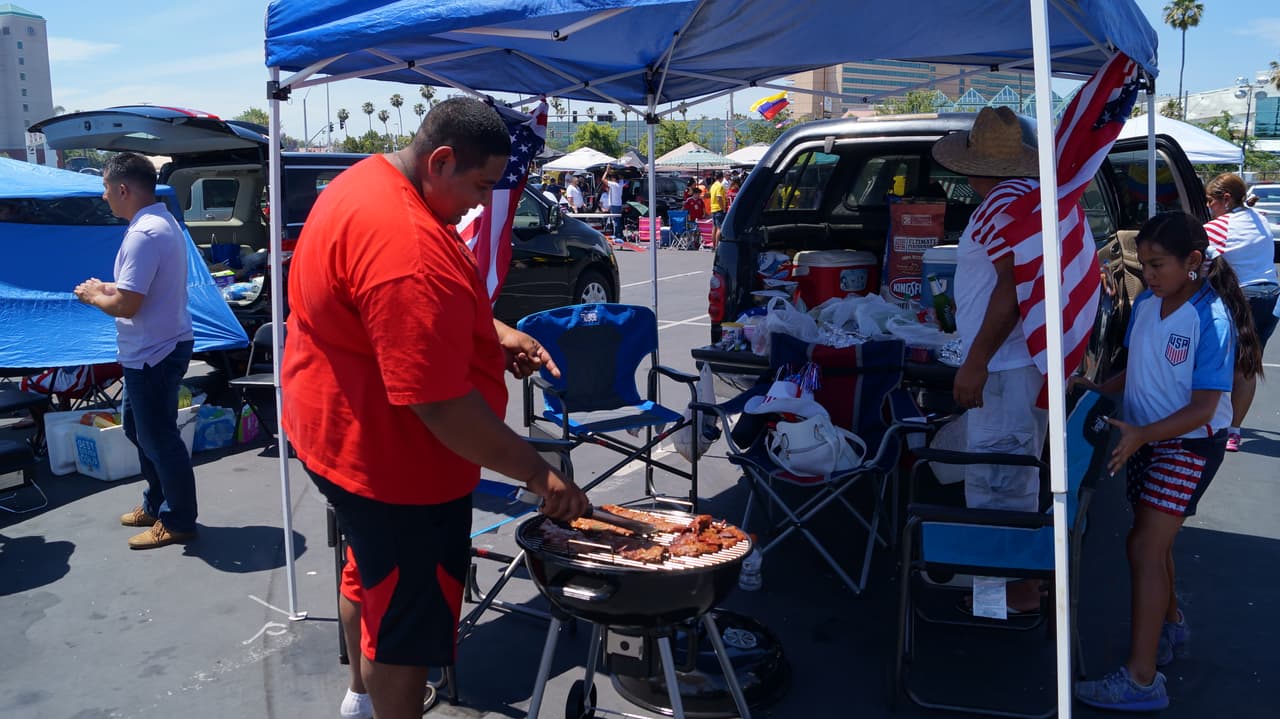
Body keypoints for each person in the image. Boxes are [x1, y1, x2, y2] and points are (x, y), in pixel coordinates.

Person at [280, 97, 590, 719]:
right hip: (396, 468)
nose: (479, 203)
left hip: (335, 435)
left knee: (367, 576)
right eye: (477, 186)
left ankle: (359, 702)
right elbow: (442, 406)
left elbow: (384, 315)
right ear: (440, 159)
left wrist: (492, 333)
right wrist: (538, 471)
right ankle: (384, 701)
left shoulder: (364, 181)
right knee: (407, 624)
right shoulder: (406, 245)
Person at [1073, 212, 1261, 711]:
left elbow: (1204, 407)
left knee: (1143, 547)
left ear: (1193, 262)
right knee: (1152, 545)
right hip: (1148, 440)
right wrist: (1093, 390)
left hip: (1189, 444)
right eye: (1145, 266)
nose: (1149, 275)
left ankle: (1141, 681)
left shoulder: (1210, 317)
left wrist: (1141, 434)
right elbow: (1134, 371)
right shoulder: (1146, 306)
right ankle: (1170, 626)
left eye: (1157, 265)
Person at [930, 106, 1046, 614]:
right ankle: (1007, 591)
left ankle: (1004, 599)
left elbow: (1011, 287)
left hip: (1003, 371)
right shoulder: (1022, 199)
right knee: (1009, 478)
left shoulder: (1002, 205)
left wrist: (975, 360)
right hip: (1016, 367)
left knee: (998, 482)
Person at [73, 152, 197, 550]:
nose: (106, 197)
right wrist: (108, 288)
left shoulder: (144, 234)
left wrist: (95, 296)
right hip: (157, 347)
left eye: (107, 189)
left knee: (158, 438)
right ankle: (157, 503)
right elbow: (136, 289)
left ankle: (177, 519)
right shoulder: (162, 224)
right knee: (137, 430)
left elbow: (128, 305)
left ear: (123, 189)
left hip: (154, 352)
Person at [1202, 173, 1277, 452]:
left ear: (1225, 199)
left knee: (1218, 362)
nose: (1208, 206)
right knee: (1247, 367)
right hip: (1270, 297)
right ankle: (1234, 431)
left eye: (1210, 201)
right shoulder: (1259, 218)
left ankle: (1213, 423)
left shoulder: (1218, 227)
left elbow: (1200, 262)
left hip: (1241, 298)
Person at [707, 170, 727, 247]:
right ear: (722, 177)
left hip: (713, 208)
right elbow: (719, 198)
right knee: (719, 228)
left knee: (714, 228)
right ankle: (718, 246)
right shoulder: (720, 186)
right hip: (719, 209)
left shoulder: (713, 186)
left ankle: (714, 245)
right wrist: (723, 208)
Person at [602, 170, 623, 237]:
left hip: (614, 205)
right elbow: (621, 177)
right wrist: (613, 172)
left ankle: (617, 235)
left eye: (611, 179)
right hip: (618, 204)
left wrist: (607, 171)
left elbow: (603, 179)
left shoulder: (614, 184)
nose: (610, 180)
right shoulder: (621, 183)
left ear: (614, 179)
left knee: (615, 221)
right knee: (618, 220)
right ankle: (619, 234)